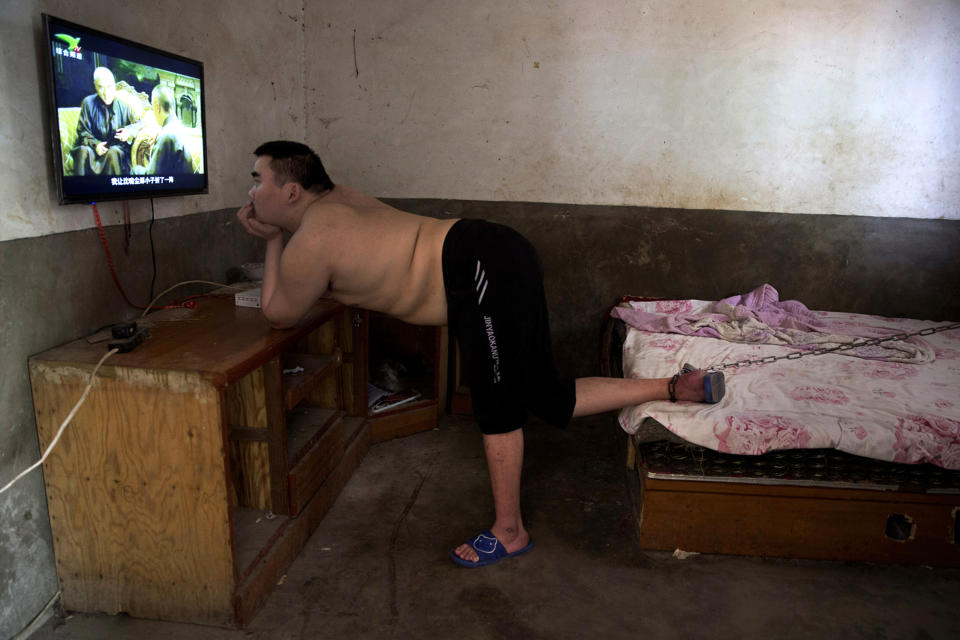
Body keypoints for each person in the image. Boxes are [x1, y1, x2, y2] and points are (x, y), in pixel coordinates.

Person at [236, 141, 725, 568]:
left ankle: (510, 532)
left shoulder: (312, 237)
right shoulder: (342, 200)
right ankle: (676, 387)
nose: (252, 193)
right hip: (491, 249)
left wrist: (275, 240)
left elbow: (279, 313)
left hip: (475, 267)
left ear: (292, 191)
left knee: (497, 407)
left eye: (258, 181)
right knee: (547, 394)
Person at [72, 67, 139, 176]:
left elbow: (139, 124)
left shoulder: (123, 107)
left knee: (113, 152)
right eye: (101, 88)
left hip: (116, 151)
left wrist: (128, 132)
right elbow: (83, 131)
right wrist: (96, 145)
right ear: (95, 86)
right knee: (82, 151)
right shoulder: (88, 103)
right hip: (93, 150)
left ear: (114, 86)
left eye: (109, 87)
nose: (106, 93)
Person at [137, 85, 194, 175]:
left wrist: (136, 169)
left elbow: (153, 177)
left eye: (152, 107)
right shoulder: (179, 127)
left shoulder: (166, 135)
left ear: (158, 107)